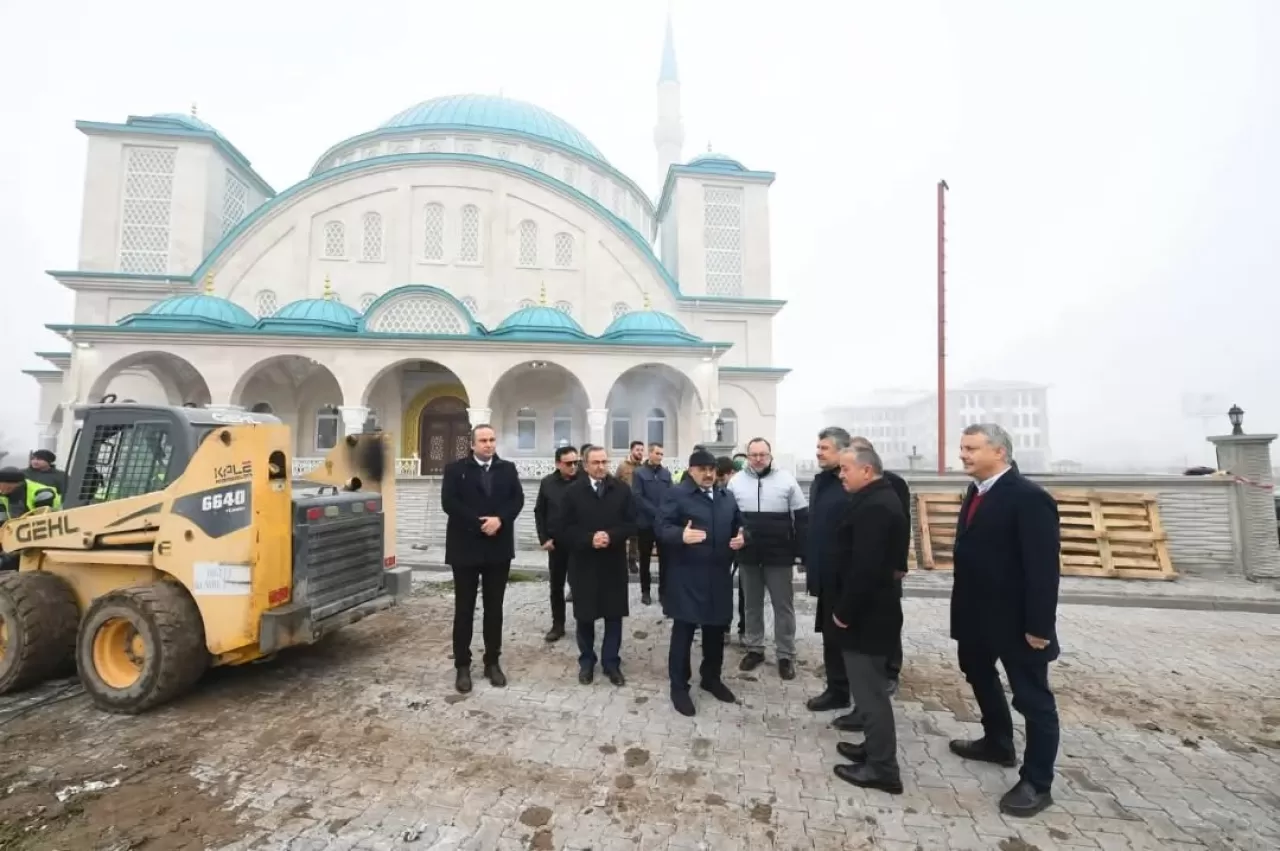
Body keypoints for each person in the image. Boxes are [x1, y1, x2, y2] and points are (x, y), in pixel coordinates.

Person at [949, 423, 1061, 818]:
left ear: (999, 452)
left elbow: (1043, 570)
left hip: (1017, 624)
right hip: (977, 617)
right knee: (977, 673)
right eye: (962, 447)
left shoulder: (1029, 498)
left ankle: (1037, 781)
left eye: (971, 448)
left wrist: (1038, 628)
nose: (962, 454)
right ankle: (997, 742)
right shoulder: (977, 491)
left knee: (1033, 700)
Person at [829, 445, 907, 794]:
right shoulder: (879, 497)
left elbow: (865, 568)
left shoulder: (876, 507)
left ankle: (883, 769)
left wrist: (844, 613)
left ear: (866, 470)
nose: (840, 474)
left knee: (870, 693)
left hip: (867, 616)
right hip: (875, 611)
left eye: (845, 469)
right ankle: (872, 749)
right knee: (869, 689)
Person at [659, 449, 746, 716]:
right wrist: (679, 536)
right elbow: (660, 527)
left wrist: (743, 537)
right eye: (702, 469)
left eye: (712, 469)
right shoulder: (677, 494)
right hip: (687, 574)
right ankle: (679, 686)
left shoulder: (725, 496)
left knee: (715, 629)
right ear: (692, 470)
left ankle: (711, 678)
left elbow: (740, 525)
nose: (708, 474)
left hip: (718, 575)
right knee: (684, 631)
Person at [441, 424, 525, 693]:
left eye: (492, 440)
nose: (489, 444)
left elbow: (517, 500)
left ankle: (492, 661)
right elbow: (449, 503)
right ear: (473, 444)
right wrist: (480, 524)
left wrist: (499, 519)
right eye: (483, 440)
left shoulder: (507, 469)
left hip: (497, 549)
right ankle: (463, 666)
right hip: (465, 547)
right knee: (464, 609)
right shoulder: (456, 470)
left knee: (494, 608)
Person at [725, 438, 808, 681]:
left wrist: (802, 552)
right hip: (749, 554)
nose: (759, 459)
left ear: (770, 455)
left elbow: (802, 518)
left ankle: (785, 654)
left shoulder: (786, 480)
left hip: (779, 555)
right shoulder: (735, 482)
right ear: (747, 457)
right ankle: (755, 648)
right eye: (754, 455)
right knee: (751, 605)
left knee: (783, 606)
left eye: (763, 454)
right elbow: (729, 519)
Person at [559, 446, 638, 686]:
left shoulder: (622, 490)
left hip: (613, 562)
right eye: (595, 462)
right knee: (585, 615)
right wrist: (589, 539)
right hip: (584, 563)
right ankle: (586, 662)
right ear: (585, 465)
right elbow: (562, 528)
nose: (601, 466)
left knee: (614, 615)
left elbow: (632, 523)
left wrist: (611, 536)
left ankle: (611, 662)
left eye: (604, 461)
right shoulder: (572, 493)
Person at [851, 436, 910, 694]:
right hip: (861, 565)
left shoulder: (894, 484)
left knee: (888, 618)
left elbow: (903, 525)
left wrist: (900, 563)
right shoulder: (851, 485)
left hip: (887, 568)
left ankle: (890, 669)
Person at [804, 427, 855, 715]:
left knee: (847, 640)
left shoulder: (850, 485)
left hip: (845, 577)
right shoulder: (821, 482)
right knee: (831, 636)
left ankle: (850, 694)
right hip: (825, 575)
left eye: (824, 448)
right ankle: (837, 689)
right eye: (818, 447)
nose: (818, 452)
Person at [533, 445, 581, 642]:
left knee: (579, 585)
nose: (573, 467)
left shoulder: (584, 481)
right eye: (568, 463)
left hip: (579, 543)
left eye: (576, 463)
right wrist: (544, 538)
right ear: (558, 464)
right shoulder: (547, 483)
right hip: (557, 544)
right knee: (556, 586)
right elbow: (539, 512)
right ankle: (558, 624)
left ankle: (582, 625)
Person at [631, 443, 673, 605]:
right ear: (650, 453)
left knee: (665, 560)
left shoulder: (666, 473)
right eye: (657, 453)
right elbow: (637, 496)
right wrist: (655, 512)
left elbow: (670, 495)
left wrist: (665, 513)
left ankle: (663, 592)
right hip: (646, 523)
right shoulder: (639, 473)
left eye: (662, 454)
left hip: (663, 524)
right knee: (645, 559)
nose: (660, 456)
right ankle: (645, 591)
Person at [0, 467, 61, 571]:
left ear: (13, 484)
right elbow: (2, 522)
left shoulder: (43, 494)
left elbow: (42, 524)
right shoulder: (3, 495)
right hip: (18, 535)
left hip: (46, 534)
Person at [616, 441, 645, 575]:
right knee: (621, 534)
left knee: (634, 536)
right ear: (631, 451)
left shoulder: (644, 467)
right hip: (623, 505)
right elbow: (615, 484)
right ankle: (619, 560)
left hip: (638, 506)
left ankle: (632, 561)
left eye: (641, 450)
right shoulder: (622, 466)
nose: (640, 452)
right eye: (637, 450)